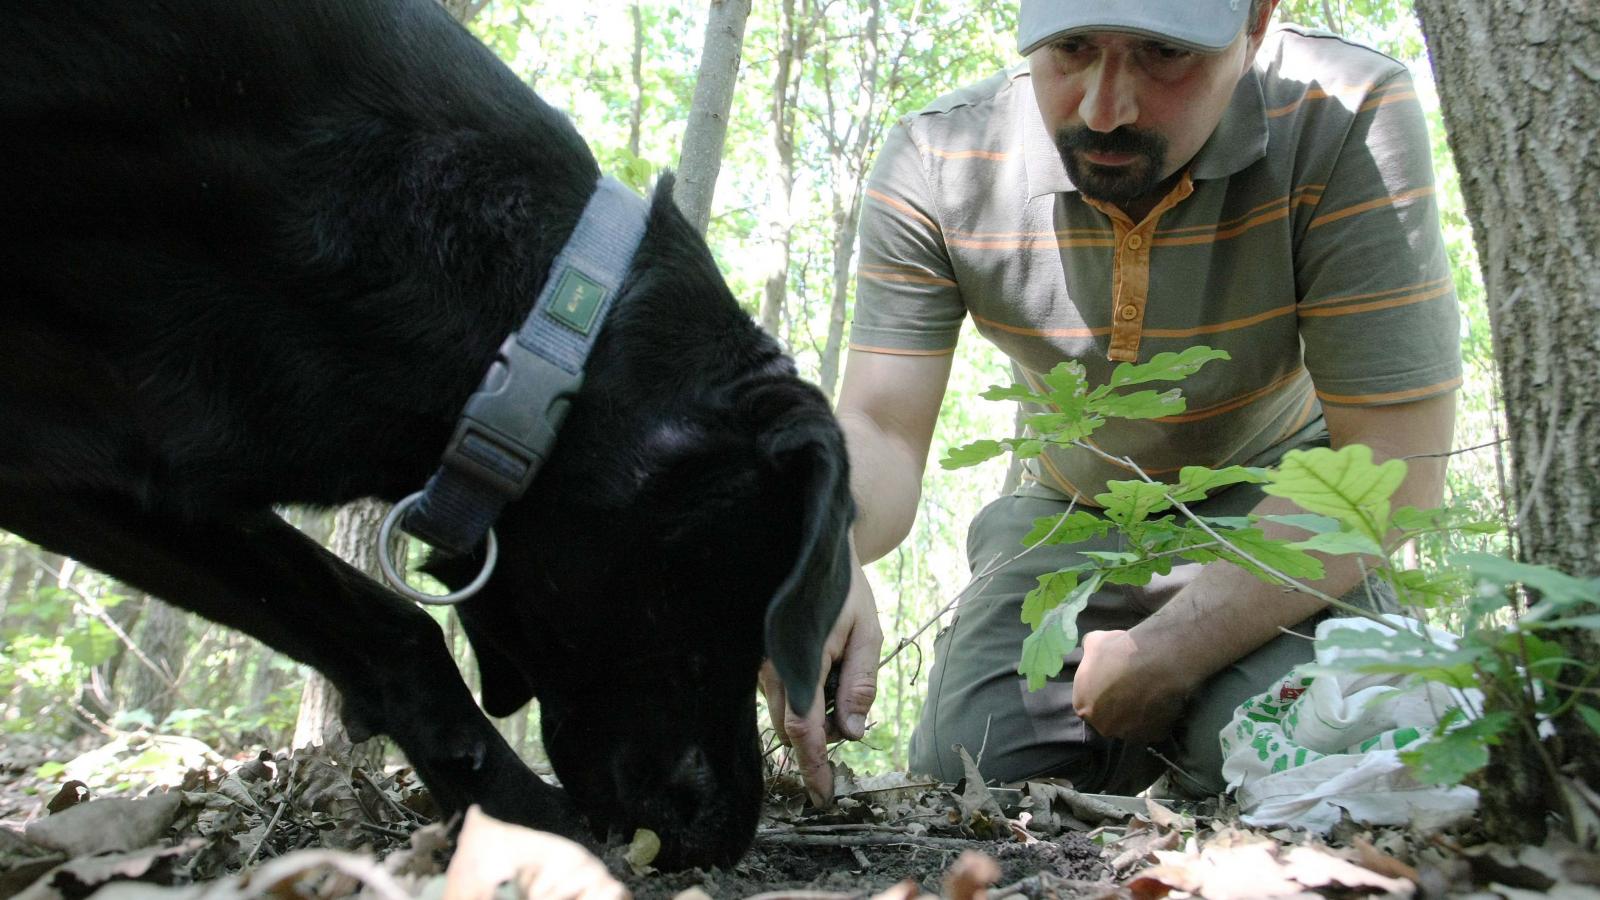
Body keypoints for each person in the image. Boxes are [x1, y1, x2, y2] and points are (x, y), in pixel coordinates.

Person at [761, 0, 1461, 803]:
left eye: (1164, 52)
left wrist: (1175, 647)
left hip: (1281, 503)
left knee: (1292, 752)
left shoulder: (1343, 115)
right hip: (1067, 504)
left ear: (1258, 21)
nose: (1105, 108)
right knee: (970, 770)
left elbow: (1393, 465)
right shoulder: (939, 157)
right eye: (1072, 47)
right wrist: (826, 544)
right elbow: (882, 426)